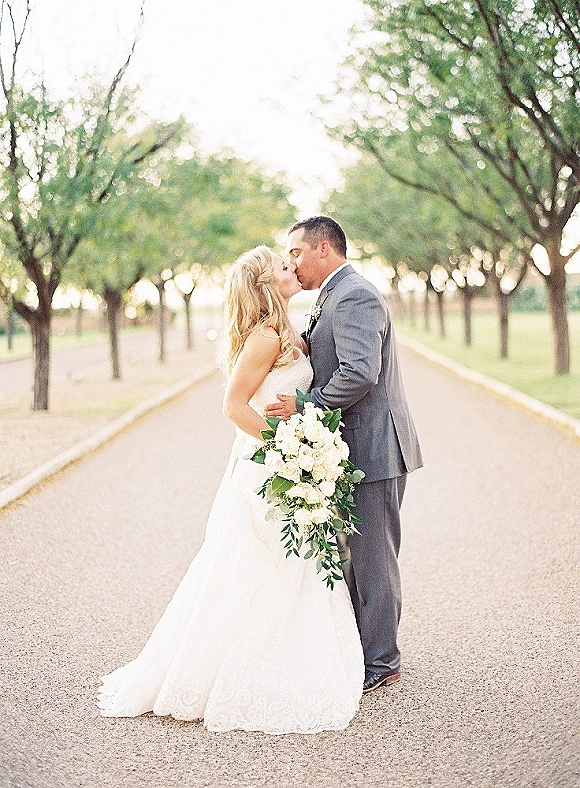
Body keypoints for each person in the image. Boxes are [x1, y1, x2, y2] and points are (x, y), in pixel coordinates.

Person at [98, 245, 364, 733]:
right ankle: (231, 671)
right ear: (266, 284)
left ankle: (291, 657)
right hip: (268, 466)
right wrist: (284, 447)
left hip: (289, 461)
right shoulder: (265, 336)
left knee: (295, 564)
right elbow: (234, 406)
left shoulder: (286, 329)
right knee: (258, 564)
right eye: (283, 266)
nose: (292, 267)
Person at [265, 217, 423, 694]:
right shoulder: (332, 296)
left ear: (323, 248)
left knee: (373, 558)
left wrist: (306, 405)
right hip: (355, 446)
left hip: (374, 447)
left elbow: (359, 372)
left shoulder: (354, 295)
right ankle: (363, 648)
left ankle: (382, 661)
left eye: (296, 252)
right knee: (356, 554)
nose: (291, 262)